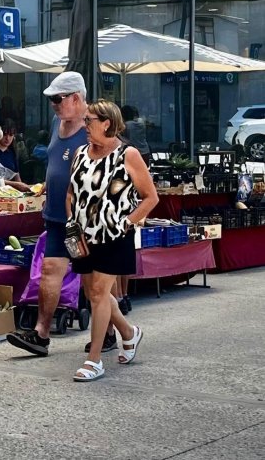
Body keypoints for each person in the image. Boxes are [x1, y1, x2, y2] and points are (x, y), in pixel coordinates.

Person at [67, 99, 158, 381]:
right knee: (96, 292)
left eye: (89, 120)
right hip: (81, 235)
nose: (85, 125)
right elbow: (71, 192)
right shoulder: (81, 153)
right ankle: (129, 333)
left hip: (113, 234)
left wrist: (126, 223)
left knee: (97, 293)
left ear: (107, 123)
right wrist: (71, 222)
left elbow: (151, 198)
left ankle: (94, 360)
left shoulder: (127, 155)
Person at [6, 71, 92, 357]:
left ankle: (118, 331)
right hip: (56, 217)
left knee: (93, 281)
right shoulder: (58, 123)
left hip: (80, 221)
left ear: (76, 98)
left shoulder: (93, 127)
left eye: (58, 99)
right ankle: (41, 334)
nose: (53, 105)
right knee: (50, 270)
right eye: (52, 100)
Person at [0, 118, 31, 192]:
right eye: (5, 134)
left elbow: (17, 176)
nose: (7, 138)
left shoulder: (12, 153)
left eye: (11, 135)